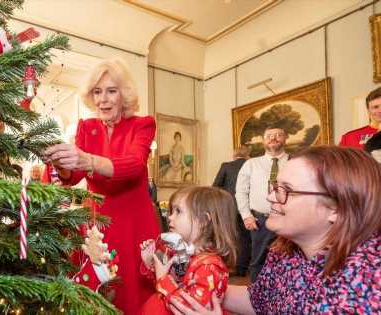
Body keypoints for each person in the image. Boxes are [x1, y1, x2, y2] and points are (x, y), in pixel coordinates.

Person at [168, 146, 381, 315]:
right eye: (274, 187)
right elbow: (259, 300)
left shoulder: (367, 283)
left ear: (336, 207)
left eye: (285, 190)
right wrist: (193, 282)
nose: (270, 197)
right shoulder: (284, 252)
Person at [43, 58, 161, 314]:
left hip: (133, 224)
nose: (103, 100)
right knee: (98, 284)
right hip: (97, 225)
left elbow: (133, 165)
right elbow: (72, 177)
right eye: (97, 91)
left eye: (111, 91)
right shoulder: (87, 128)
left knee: (132, 292)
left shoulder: (143, 125)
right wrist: (61, 163)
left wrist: (86, 160)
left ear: (124, 95)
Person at [138, 186, 238, 315]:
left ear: (203, 221)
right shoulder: (179, 252)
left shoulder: (209, 266)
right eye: (171, 211)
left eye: (178, 211)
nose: (170, 217)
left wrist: (163, 278)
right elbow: (167, 286)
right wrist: (151, 264)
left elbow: (188, 309)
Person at [235, 126, 289, 282]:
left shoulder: (295, 162)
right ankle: (254, 300)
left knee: (287, 261)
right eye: (269, 136)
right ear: (264, 141)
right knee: (258, 262)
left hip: (288, 219)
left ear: (285, 139)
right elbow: (241, 192)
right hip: (260, 222)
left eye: (278, 135)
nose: (273, 138)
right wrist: (246, 216)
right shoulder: (251, 164)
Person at [213, 145, 251, 277]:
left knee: (228, 236)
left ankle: (225, 267)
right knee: (245, 238)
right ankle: (242, 269)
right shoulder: (251, 165)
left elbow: (215, 187)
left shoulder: (226, 166)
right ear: (248, 155)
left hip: (229, 207)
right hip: (248, 207)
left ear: (234, 155)